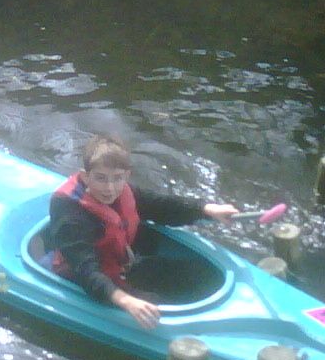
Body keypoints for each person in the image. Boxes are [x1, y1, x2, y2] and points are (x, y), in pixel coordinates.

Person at [45, 134, 239, 329]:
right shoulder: (68, 209)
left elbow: (160, 206)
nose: (110, 188)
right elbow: (85, 271)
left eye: (117, 178)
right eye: (101, 178)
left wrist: (206, 209)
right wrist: (127, 301)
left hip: (119, 267)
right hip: (84, 280)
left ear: (126, 176)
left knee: (196, 274)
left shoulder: (123, 190)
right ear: (86, 176)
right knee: (157, 305)